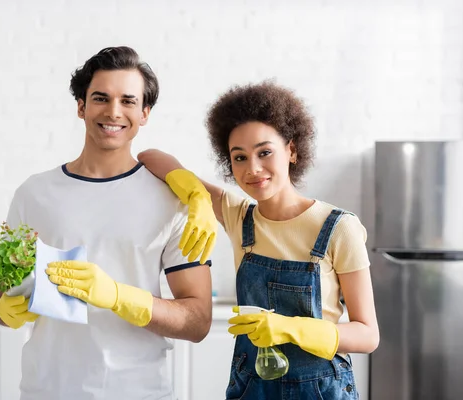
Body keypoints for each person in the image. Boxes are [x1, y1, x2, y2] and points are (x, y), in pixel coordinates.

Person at [0, 46, 214, 400]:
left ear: (145, 113)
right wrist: (4, 308)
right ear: (81, 107)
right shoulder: (34, 193)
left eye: (128, 101)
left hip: (139, 392)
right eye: (100, 98)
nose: (113, 112)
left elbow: (198, 320)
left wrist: (118, 296)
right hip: (45, 391)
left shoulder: (172, 201)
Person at [138, 81, 379, 399]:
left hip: (321, 390)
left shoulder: (339, 228)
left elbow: (367, 335)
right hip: (253, 387)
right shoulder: (239, 217)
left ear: (291, 150)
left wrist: (292, 329)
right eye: (239, 157)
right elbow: (149, 156)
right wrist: (196, 196)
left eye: (265, 152)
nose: (252, 168)